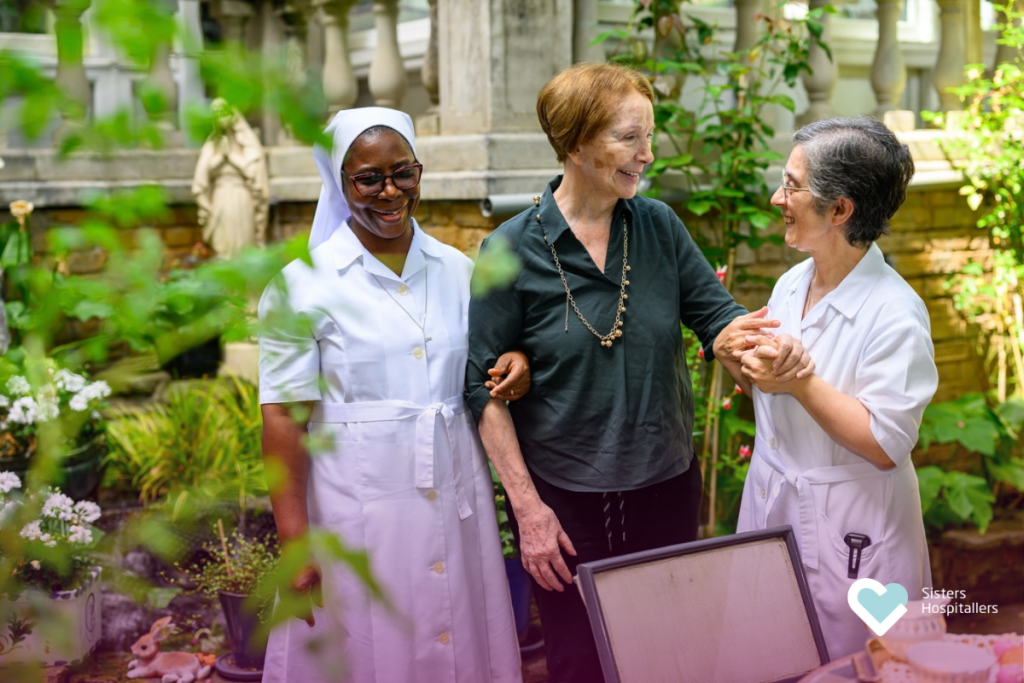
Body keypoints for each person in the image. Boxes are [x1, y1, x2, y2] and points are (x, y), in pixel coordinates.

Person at [465, 62, 814, 683]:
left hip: (665, 484)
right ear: (575, 142)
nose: (647, 154)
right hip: (563, 502)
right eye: (629, 138)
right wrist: (527, 509)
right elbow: (481, 390)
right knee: (579, 664)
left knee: (673, 655)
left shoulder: (656, 227)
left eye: (648, 136)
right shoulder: (509, 250)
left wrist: (744, 341)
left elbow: (717, 316)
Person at [258, 107, 527, 683]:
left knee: (459, 637)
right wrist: (294, 541)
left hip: (456, 499)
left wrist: (515, 365)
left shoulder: (459, 272)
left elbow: (488, 369)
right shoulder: (302, 286)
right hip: (355, 510)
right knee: (365, 646)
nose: (390, 191)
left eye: (403, 172)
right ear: (340, 182)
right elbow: (282, 417)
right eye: (368, 178)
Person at [735, 116, 938, 659]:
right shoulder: (792, 282)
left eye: (793, 185)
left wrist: (800, 383)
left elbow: (885, 442)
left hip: (854, 535)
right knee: (771, 656)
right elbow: (770, 389)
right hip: (774, 507)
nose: (779, 196)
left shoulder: (896, 314)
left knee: (858, 663)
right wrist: (738, 356)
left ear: (840, 210)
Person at [191, 98, 270, 259]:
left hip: (241, 197)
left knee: (243, 243)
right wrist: (220, 158)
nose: (220, 118)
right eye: (215, 114)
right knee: (222, 245)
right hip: (219, 196)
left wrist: (231, 156)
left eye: (223, 113)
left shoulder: (248, 143)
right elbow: (202, 177)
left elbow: (254, 175)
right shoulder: (212, 144)